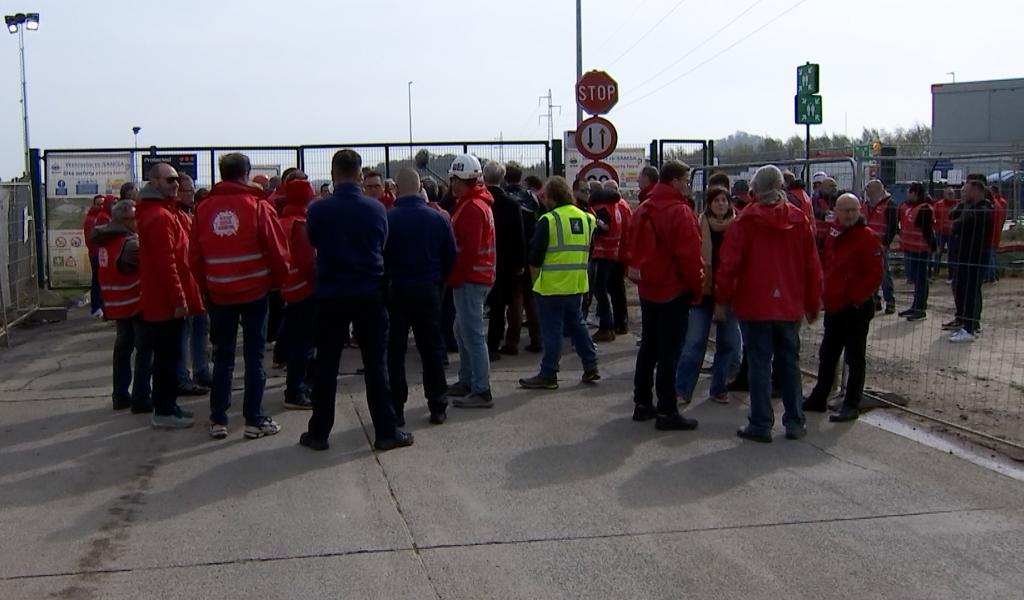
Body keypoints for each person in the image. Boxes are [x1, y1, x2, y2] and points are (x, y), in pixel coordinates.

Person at [301, 150, 412, 451]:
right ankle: (386, 431)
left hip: (331, 293)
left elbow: (312, 241)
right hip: (369, 292)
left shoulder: (318, 210)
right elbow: (382, 243)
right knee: (376, 365)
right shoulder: (376, 209)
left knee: (326, 365)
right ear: (361, 175)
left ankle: (319, 432)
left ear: (334, 174)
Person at [716, 165, 822, 443]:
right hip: (789, 303)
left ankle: (761, 423)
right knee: (789, 363)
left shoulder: (745, 221)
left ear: (755, 190)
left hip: (755, 303)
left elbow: (729, 265)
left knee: (759, 362)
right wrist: (812, 304)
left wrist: (721, 300)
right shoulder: (799, 221)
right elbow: (812, 267)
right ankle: (795, 421)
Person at [190, 153, 290, 440]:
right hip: (255, 292)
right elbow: (277, 250)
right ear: (246, 173)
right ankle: (253, 419)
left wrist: (205, 287)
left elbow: (194, 256)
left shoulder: (203, 208)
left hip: (219, 293)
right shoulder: (258, 206)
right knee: (255, 357)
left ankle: (218, 418)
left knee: (223, 358)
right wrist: (281, 284)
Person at [624, 160, 703, 431]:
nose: (688, 186)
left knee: (649, 346)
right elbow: (690, 257)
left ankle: (643, 402)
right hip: (673, 288)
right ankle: (668, 409)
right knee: (670, 352)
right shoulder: (680, 212)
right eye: (686, 181)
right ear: (676, 181)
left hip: (648, 287)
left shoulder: (643, 208)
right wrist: (697, 288)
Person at [385, 168, 457, 425]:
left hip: (398, 291)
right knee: (432, 349)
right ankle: (437, 404)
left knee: (395, 351)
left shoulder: (388, 219)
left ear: (397, 189)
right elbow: (451, 255)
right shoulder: (438, 218)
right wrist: (438, 280)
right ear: (419, 188)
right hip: (429, 289)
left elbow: (380, 258)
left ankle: (397, 407)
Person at [803, 193, 883, 422]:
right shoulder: (833, 234)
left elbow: (875, 273)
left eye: (852, 210)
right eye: (844, 210)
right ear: (836, 211)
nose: (848, 214)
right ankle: (820, 396)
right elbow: (828, 266)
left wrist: (854, 297)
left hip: (855, 308)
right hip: (836, 306)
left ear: (859, 211)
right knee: (828, 354)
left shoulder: (867, 237)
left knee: (855, 358)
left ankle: (851, 403)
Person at [136, 162, 202, 429]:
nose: (175, 184)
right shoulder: (160, 216)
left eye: (176, 180)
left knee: (170, 355)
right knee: (167, 357)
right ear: (153, 182)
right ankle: (164, 410)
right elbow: (168, 263)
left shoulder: (163, 212)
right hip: (165, 301)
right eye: (169, 180)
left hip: (165, 298)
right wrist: (179, 299)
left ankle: (169, 406)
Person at [519, 177, 600, 390]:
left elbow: (535, 257)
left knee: (552, 331)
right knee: (577, 325)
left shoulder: (549, 220)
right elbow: (589, 251)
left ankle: (549, 373)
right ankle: (591, 364)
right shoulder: (586, 219)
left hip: (551, 286)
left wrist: (536, 282)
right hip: (576, 283)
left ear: (551, 197)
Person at [674, 186, 740, 406]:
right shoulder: (699, 224)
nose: (721, 204)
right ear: (709, 204)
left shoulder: (738, 226)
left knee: (729, 343)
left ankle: (719, 387)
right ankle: (682, 389)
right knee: (694, 343)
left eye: (724, 200)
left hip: (728, 293)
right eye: (716, 200)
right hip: (703, 292)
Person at [446, 154, 497, 409]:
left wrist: (453, 276)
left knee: (471, 334)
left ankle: (481, 389)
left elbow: (467, 251)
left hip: (470, 279)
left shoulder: (471, 208)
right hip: (476, 277)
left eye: (453, 178)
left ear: (460, 179)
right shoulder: (476, 204)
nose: (451, 183)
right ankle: (468, 381)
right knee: (462, 330)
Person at [92, 200, 153, 413]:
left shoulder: (105, 240)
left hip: (116, 303)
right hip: (135, 302)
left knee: (122, 350)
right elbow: (151, 266)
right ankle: (141, 397)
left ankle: (120, 394)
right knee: (144, 352)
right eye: (135, 217)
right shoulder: (130, 244)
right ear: (125, 220)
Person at [277, 178, 318, 410]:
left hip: (289, 287)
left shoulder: (283, 220)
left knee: (297, 341)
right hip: (305, 289)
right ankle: (296, 390)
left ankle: (300, 385)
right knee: (305, 344)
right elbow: (308, 263)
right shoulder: (301, 224)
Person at [482, 161, 527, 362]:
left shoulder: (481, 202)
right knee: (499, 307)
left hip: (482, 260)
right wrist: (520, 264)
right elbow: (519, 236)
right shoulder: (511, 204)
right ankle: (493, 345)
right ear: (502, 178)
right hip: (505, 263)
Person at [174, 174, 213, 394]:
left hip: (195, 283)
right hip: (184, 284)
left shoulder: (187, 214)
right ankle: (182, 377)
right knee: (185, 331)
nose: (192, 194)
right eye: (188, 190)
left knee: (201, 326)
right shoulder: (174, 216)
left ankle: (201, 370)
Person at [501, 161, 543, 354]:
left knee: (515, 301)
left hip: (513, 254)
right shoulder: (533, 198)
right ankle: (537, 338)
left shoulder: (505, 199)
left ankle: (512, 342)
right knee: (532, 299)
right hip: (532, 252)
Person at [947, 179, 993, 343]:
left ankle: (970, 328)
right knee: (963, 289)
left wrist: (960, 218)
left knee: (971, 292)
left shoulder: (984, 208)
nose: (963, 194)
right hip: (964, 255)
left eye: (966, 191)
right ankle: (966, 323)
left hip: (975, 256)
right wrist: (962, 205)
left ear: (976, 191)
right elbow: (952, 215)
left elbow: (960, 223)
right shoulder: (968, 206)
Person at [589, 182, 629, 341]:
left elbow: (603, 227)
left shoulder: (601, 207)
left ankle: (607, 326)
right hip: (615, 252)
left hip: (602, 254)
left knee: (600, 290)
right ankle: (619, 323)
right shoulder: (619, 205)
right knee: (616, 290)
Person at [898, 182, 936, 322]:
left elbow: (927, 231)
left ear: (915, 193)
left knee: (921, 280)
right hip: (910, 248)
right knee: (914, 279)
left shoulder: (924, 209)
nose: (907, 194)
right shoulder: (907, 207)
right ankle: (915, 306)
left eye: (909, 192)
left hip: (920, 249)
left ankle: (920, 309)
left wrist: (932, 247)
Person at [862, 179, 898, 314]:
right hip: (867, 244)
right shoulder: (867, 204)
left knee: (884, 273)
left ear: (877, 189)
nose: (866, 190)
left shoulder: (890, 204)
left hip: (881, 244)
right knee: (870, 272)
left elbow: (893, 226)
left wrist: (885, 243)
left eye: (868, 187)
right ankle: (875, 299)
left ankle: (890, 301)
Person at [83, 194, 107, 318]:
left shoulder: (101, 217)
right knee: (97, 281)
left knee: (100, 281)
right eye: (99, 204)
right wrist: (97, 252)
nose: (101, 206)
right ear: (94, 205)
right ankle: (96, 307)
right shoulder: (91, 219)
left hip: (101, 253)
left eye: (103, 204)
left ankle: (100, 306)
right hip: (96, 254)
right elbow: (90, 239)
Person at [932, 186, 958, 278]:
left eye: (952, 194)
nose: (951, 196)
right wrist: (936, 228)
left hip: (952, 233)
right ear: (944, 195)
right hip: (941, 233)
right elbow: (933, 218)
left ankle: (951, 275)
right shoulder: (938, 205)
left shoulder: (957, 205)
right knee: (938, 253)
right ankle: (935, 273)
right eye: (949, 194)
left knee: (952, 254)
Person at [986, 184, 1008, 283]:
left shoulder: (995, 204)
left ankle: (991, 276)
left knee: (991, 255)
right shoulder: (998, 203)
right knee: (993, 254)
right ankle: (994, 275)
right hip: (995, 231)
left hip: (992, 233)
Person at [812, 177, 839, 253]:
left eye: (835, 186)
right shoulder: (815, 200)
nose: (834, 189)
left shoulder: (837, 199)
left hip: (833, 235)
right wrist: (825, 214)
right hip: (819, 235)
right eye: (831, 186)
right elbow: (815, 211)